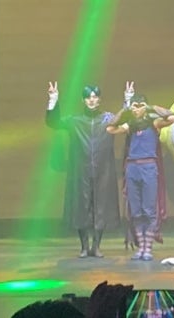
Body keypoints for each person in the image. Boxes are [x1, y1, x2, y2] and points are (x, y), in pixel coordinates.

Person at [45, 82, 125, 258]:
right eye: (88, 97)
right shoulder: (75, 121)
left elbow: (126, 121)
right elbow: (53, 122)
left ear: (100, 99)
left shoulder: (108, 119)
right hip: (80, 171)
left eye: (95, 97)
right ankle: (84, 246)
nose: (92, 100)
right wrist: (53, 99)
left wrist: (128, 101)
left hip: (103, 170)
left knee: (100, 208)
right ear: (83, 100)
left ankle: (96, 246)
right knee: (81, 207)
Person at [107, 90, 174, 261]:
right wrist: (125, 109)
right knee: (136, 211)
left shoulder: (154, 123)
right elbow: (110, 128)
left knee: (149, 211)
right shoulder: (130, 125)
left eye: (140, 106)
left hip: (149, 167)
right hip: (132, 168)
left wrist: (150, 107)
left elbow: (172, 117)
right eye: (135, 106)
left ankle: (148, 247)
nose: (137, 109)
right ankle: (141, 247)